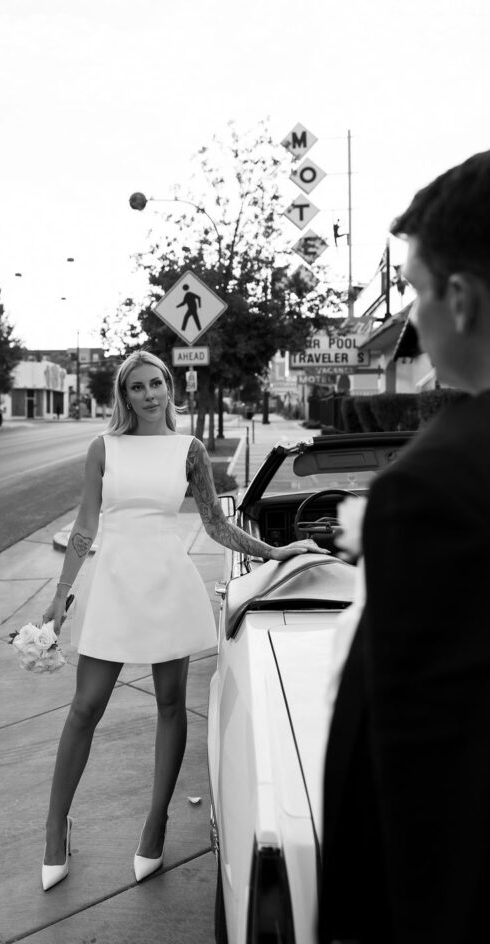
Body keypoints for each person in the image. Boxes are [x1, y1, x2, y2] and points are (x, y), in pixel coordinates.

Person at [40, 349, 327, 891]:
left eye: (157, 385)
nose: (149, 395)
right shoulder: (103, 448)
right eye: (137, 388)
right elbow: (84, 524)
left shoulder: (189, 450)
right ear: (123, 396)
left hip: (167, 583)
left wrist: (275, 552)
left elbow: (216, 524)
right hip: (114, 583)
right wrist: (60, 598)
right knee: (85, 707)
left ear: (170, 388)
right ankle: (56, 828)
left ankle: (155, 825)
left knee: (172, 704)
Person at [319, 150, 490, 944]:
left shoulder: (433, 489)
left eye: (417, 292)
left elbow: (421, 774)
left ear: (459, 301)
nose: (412, 318)